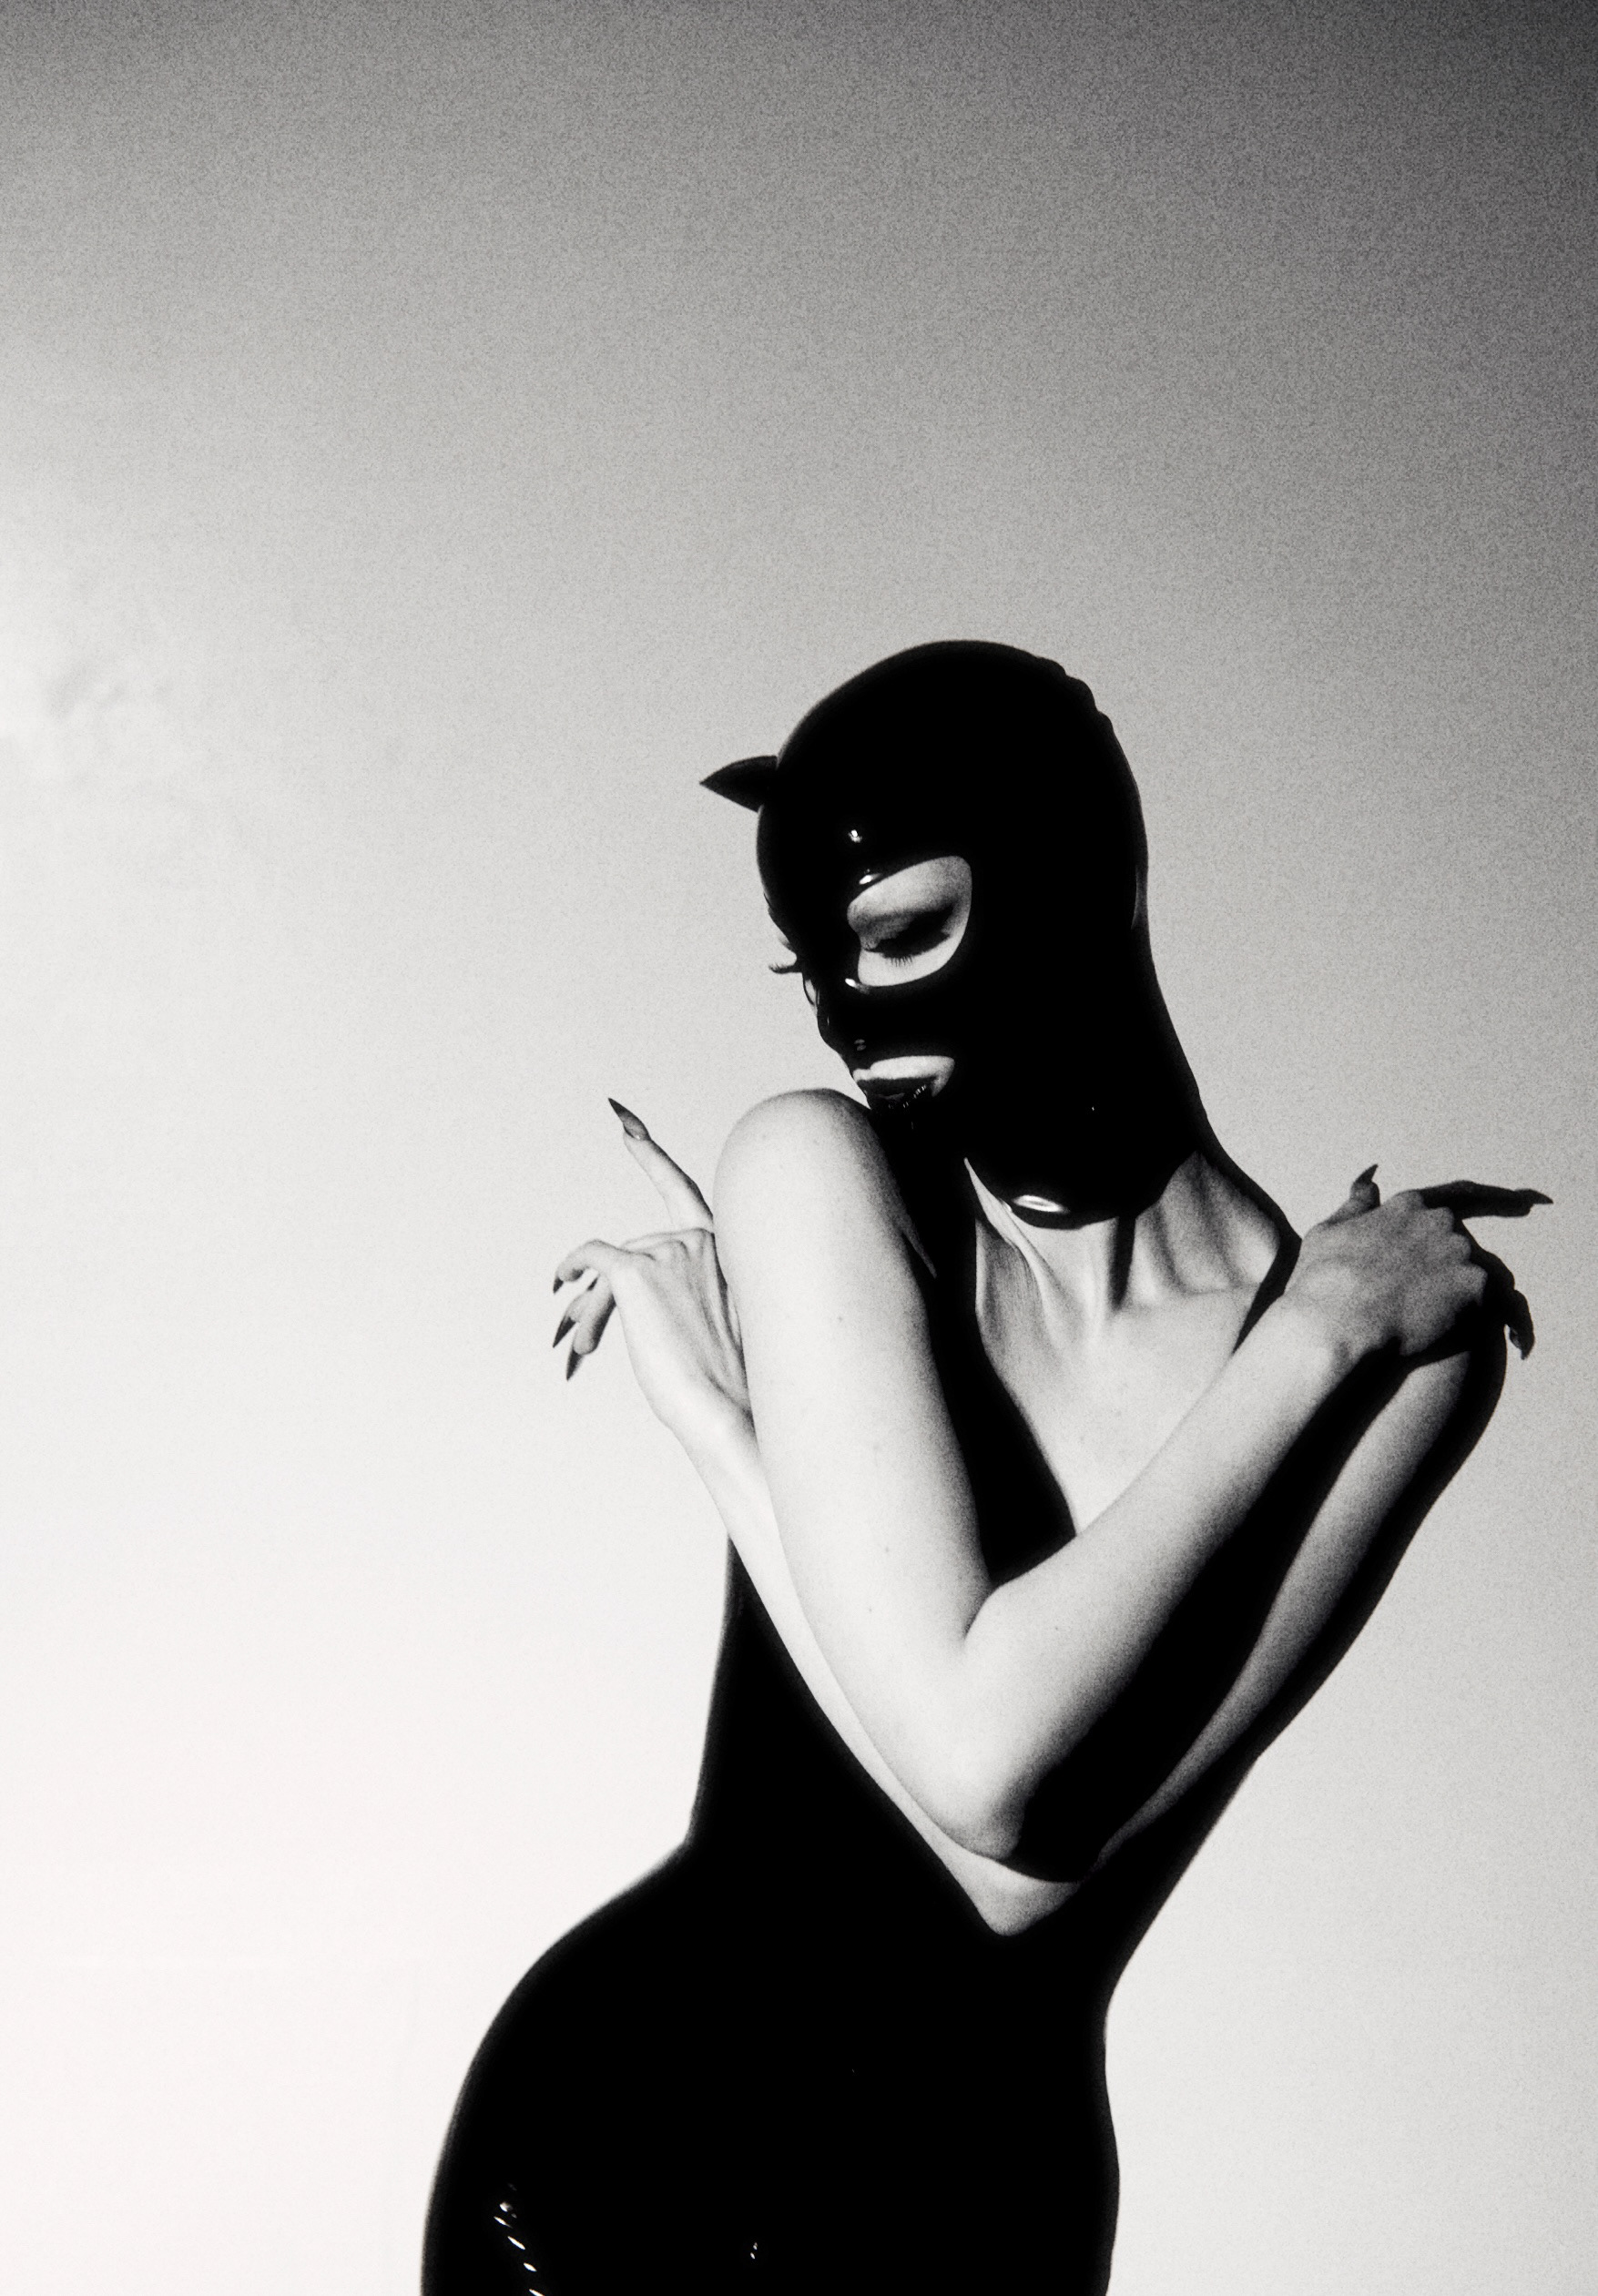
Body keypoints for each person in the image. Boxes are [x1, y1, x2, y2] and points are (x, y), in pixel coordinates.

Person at [423, 643, 1544, 2294]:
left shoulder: (1400, 1353)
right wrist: (728, 1422)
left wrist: (728, 1433)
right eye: (816, 965)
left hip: (981, 2214)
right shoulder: (822, 1170)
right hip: (621, 2138)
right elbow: (983, 1767)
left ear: (1071, 874)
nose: (854, 1022)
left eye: (898, 936)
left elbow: (1017, 1851)